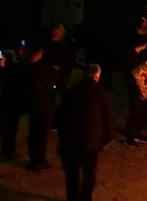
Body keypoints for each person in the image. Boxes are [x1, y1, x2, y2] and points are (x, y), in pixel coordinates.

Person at [57, 64, 113, 201]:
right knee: (89, 174)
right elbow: (108, 120)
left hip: (70, 142)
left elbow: (60, 117)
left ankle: (72, 197)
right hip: (90, 144)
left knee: (72, 175)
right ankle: (86, 197)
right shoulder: (102, 94)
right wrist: (106, 139)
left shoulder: (71, 92)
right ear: (97, 76)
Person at [26, 45, 56, 171]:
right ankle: (38, 161)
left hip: (34, 104)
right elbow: (48, 85)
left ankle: (35, 160)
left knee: (35, 133)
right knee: (40, 134)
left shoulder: (27, 66)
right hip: (41, 104)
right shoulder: (39, 69)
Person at [123, 37, 147, 147]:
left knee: (141, 111)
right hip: (135, 90)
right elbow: (132, 77)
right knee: (135, 112)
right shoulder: (131, 58)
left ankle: (137, 132)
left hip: (143, 88)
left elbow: (145, 70)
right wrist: (140, 91)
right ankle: (129, 137)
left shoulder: (141, 55)